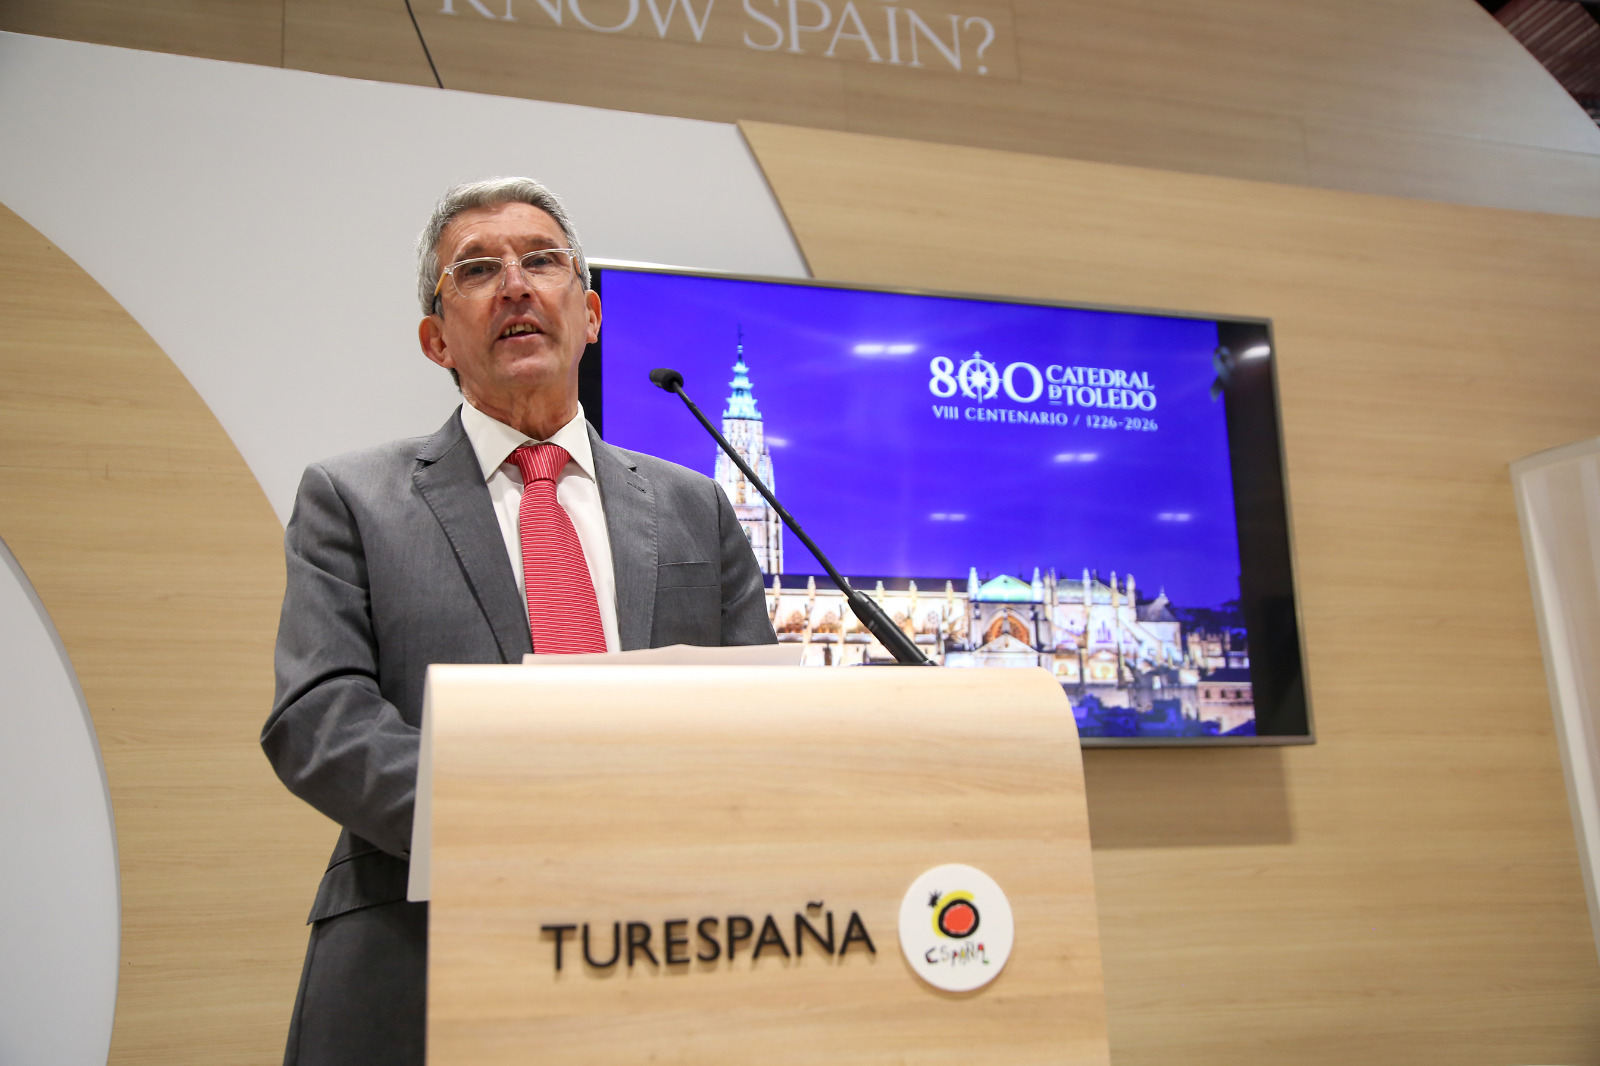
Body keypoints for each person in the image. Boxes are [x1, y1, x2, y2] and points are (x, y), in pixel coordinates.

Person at [261, 177, 776, 1066]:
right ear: (436, 339)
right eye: (477, 269)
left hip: (674, 949)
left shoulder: (698, 506)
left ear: (592, 314)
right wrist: (524, 825)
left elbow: (761, 721)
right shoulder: (352, 500)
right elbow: (318, 721)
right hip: (424, 955)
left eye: (543, 260)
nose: (516, 284)